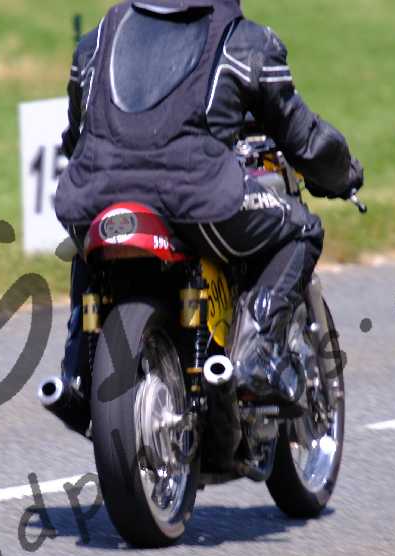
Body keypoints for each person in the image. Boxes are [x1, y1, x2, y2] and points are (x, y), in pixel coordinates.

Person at [49, 0, 363, 434]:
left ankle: (76, 372)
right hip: (195, 199)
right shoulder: (247, 43)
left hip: (92, 198)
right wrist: (344, 174)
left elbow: (75, 137)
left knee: (87, 246)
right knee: (302, 229)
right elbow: (302, 139)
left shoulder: (95, 41)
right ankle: (256, 354)